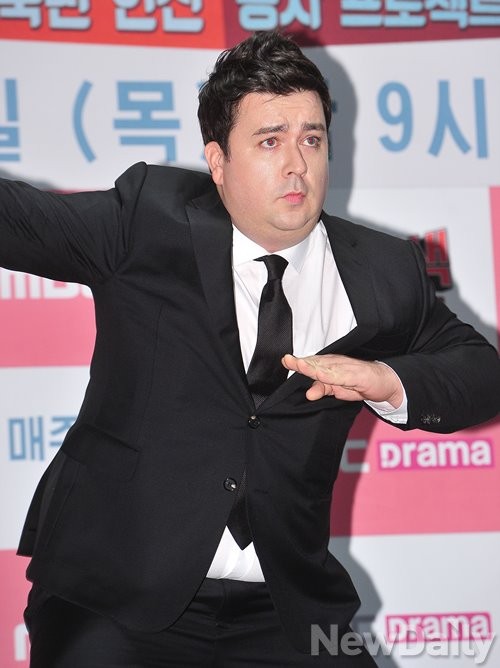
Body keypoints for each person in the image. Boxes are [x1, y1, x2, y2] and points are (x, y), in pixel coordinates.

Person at [1, 30, 499, 667]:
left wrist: (386, 379)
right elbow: (18, 220)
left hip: (285, 607)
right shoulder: (146, 222)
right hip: (115, 594)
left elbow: (481, 371)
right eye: (270, 141)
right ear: (218, 161)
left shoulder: (383, 270)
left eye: (311, 139)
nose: (297, 165)